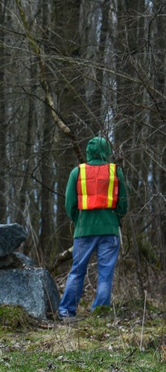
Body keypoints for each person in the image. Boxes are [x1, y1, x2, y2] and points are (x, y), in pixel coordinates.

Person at [57, 136, 129, 320]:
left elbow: (69, 203)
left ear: (88, 151)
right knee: (106, 273)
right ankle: (100, 313)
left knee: (77, 270)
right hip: (110, 229)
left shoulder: (77, 172)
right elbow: (123, 203)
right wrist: (115, 219)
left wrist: (79, 220)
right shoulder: (115, 171)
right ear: (107, 151)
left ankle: (66, 312)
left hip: (84, 230)